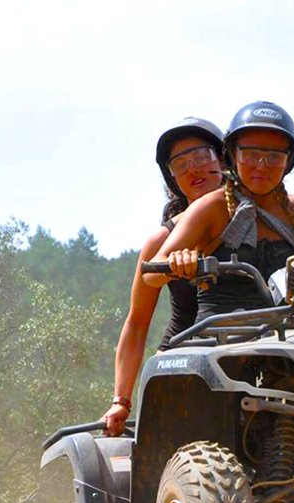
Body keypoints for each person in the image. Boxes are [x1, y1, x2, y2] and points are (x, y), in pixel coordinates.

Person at [144, 101, 294, 321]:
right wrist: (178, 262)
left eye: (274, 156)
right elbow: (152, 274)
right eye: (251, 154)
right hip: (222, 340)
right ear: (233, 155)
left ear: (288, 160)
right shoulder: (211, 208)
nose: (262, 166)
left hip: (292, 338)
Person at [101, 117, 224, 436]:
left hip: (260, 348)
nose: (193, 169)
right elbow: (137, 323)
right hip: (182, 361)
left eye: (200, 157)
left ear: (223, 160)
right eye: (180, 165)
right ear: (172, 179)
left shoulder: (265, 223)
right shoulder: (161, 244)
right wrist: (121, 401)